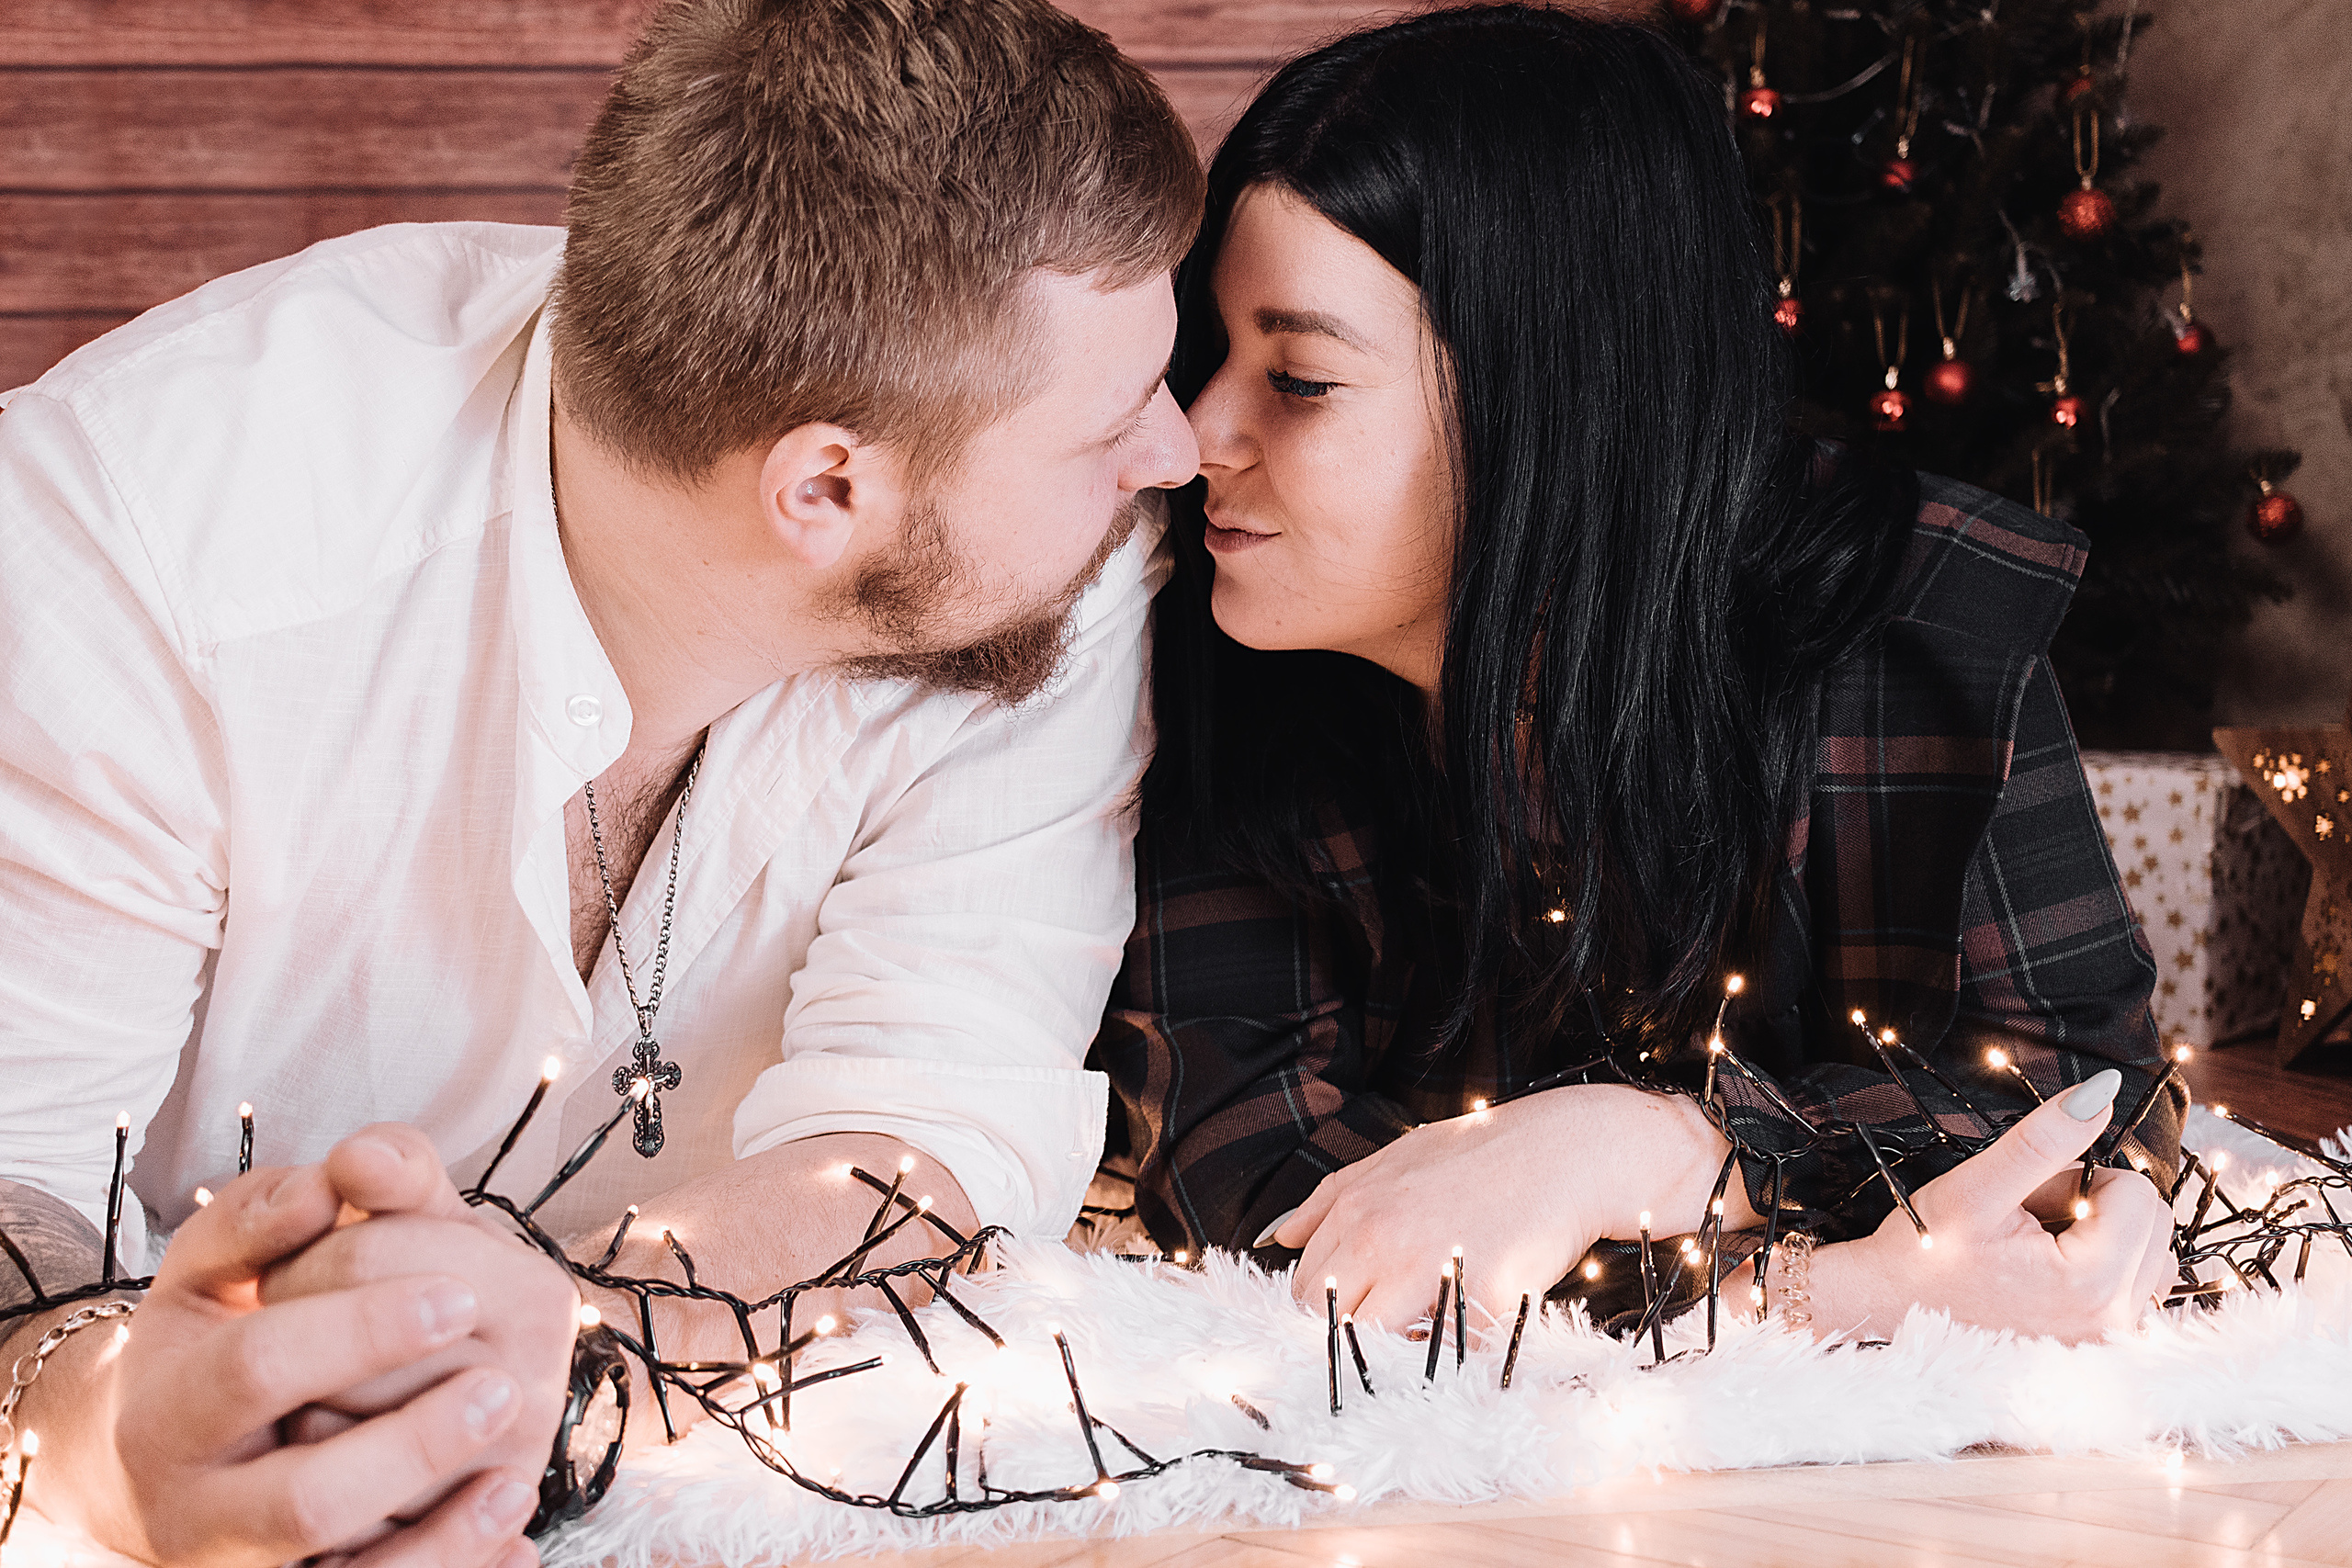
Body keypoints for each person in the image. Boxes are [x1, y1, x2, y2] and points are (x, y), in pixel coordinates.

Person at [0, 0, 1201, 1562]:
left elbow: (935, 1118)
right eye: (1115, 424)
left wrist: (548, 1343)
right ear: (825, 486)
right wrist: (114, 1426)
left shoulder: (1052, 570)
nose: (1177, 451)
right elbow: (11, 1166)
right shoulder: (134, 545)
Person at [1094, 6, 2184, 1345]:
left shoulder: (1910, 625)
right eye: (1213, 354)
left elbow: (2087, 1110)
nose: (1199, 436)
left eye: (1302, 378)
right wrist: (1811, 1290)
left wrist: (1649, 1148)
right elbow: (1261, 1208)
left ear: (1550, 400)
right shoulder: (1213, 651)